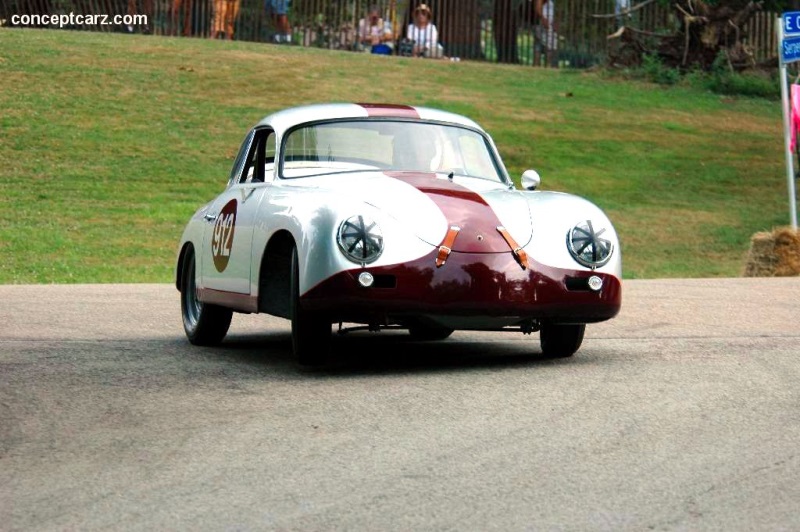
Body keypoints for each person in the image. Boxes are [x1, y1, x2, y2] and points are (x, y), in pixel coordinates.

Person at [534, 0, 557, 67]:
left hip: (548, 24)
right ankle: (547, 66)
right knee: (550, 47)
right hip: (544, 24)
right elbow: (538, 7)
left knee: (539, 46)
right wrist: (543, 19)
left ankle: (538, 66)